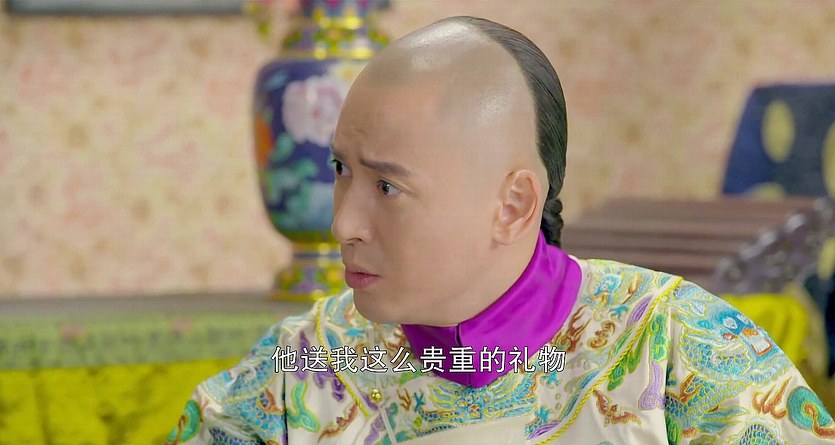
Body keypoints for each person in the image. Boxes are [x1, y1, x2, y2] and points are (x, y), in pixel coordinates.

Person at [167, 16, 835, 445]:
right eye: (341, 169)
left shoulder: (682, 354)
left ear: (514, 204)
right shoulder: (301, 367)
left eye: (387, 186)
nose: (343, 222)